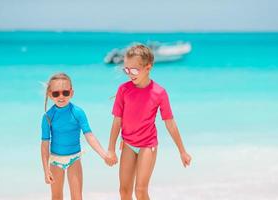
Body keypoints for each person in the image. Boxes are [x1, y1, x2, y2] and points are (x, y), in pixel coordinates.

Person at [106, 45, 192, 200]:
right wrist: (111, 149)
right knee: (124, 191)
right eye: (126, 70)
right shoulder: (123, 90)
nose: (130, 74)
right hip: (128, 144)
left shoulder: (159, 92)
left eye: (134, 70)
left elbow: (170, 123)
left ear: (148, 68)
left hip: (147, 145)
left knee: (140, 190)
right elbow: (117, 120)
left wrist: (182, 151)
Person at [40, 73, 108, 200]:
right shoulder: (48, 116)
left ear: (71, 93)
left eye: (65, 93)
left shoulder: (78, 112)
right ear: (50, 94)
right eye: (56, 93)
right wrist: (45, 169)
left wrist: (104, 155)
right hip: (55, 161)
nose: (61, 97)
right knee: (56, 197)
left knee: (77, 197)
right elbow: (44, 145)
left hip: (74, 159)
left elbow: (89, 136)